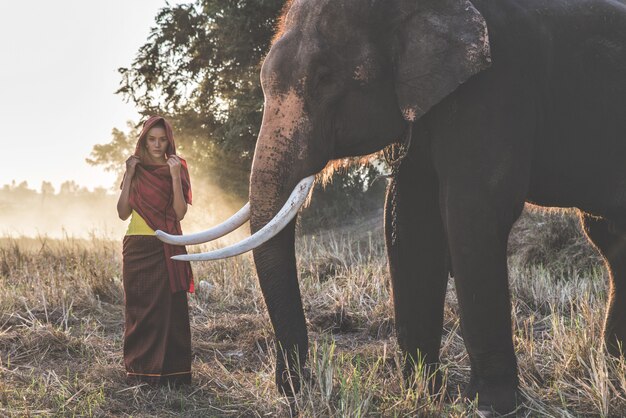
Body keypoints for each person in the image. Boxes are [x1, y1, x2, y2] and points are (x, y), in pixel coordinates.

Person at [117, 115, 194, 385]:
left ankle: (173, 375)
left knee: (171, 310)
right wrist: (128, 174)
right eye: (152, 139)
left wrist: (174, 175)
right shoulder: (134, 168)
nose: (157, 144)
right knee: (140, 309)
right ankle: (140, 372)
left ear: (169, 140)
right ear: (144, 140)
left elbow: (179, 212)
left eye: (162, 139)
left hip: (168, 244)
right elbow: (122, 213)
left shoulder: (177, 167)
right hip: (137, 246)